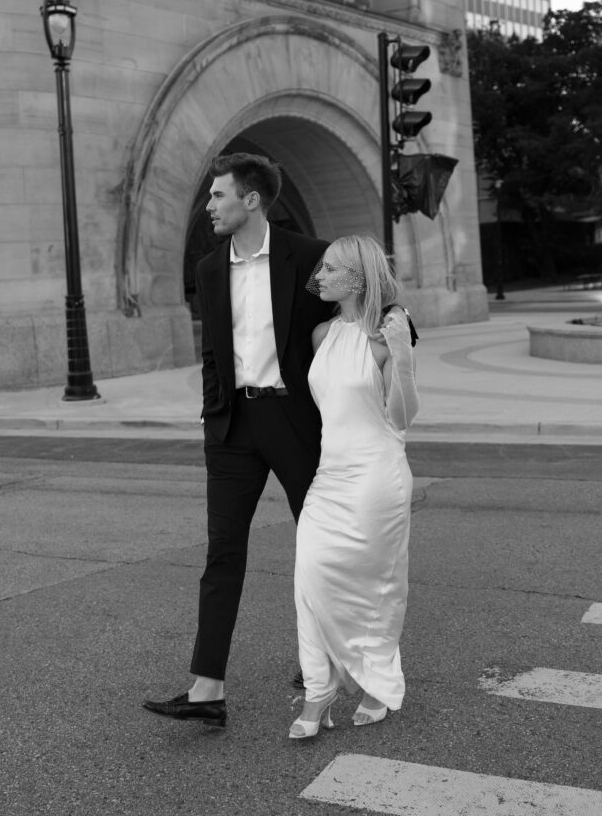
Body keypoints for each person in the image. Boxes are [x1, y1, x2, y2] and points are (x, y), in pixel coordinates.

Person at [143, 152, 333, 727]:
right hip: (232, 428)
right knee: (222, 553)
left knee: (321, 548)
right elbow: (212, 355)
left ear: (251, 200)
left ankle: (322, 663)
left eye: (218, 195)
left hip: (296, 423)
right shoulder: (207, 268)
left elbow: (363, 308)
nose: (209, 205)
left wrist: (390, 333)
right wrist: (212, 414)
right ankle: (207, 690)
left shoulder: (310, 256)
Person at [289, 235, 419, 739]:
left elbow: (402, 418)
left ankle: (375, 684)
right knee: (311, 580)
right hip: (329, 478)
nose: (319, 277)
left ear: (358, 278)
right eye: (320, 269)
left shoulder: (388, 336)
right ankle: (319, 687)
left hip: (376, 478)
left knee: (374, 590)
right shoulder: (323, 334)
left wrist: (403, 358)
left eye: (330, 269)